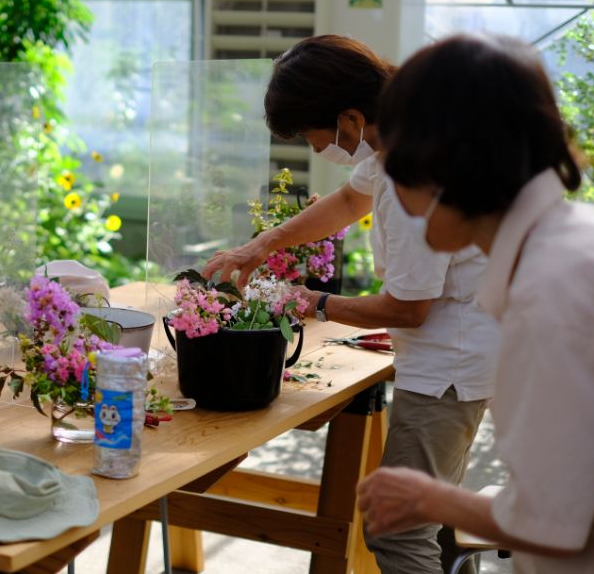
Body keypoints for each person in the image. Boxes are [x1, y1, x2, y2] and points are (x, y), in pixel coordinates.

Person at [202, 35, 499, 573]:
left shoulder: (417, 174)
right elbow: (347, 201)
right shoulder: (408, 137)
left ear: (351, 118)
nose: (317, 151)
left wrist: (308, 301)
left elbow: (409, 309)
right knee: (432, 517)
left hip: (448, 368)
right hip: (453, 352)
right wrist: (262, 243)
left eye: (315, 137)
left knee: (398, 531)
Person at [357, 33, 594, 573]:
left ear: (441, 164)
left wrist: (429, 499)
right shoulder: (579, 246)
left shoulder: (551, 291)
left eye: (391, 156)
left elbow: (554, 524)